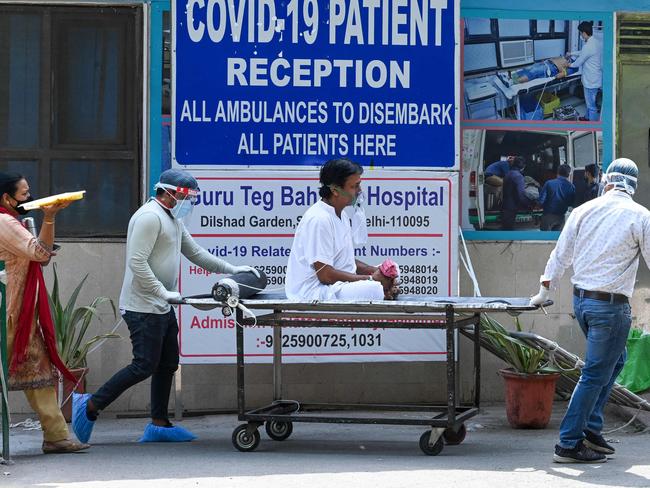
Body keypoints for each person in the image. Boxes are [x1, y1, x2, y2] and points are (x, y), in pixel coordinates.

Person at [72, 169, 258, 444]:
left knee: (168, 362)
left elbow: (194, 252)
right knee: (144, 365)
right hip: (143, 305)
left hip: (161, 304)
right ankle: (89, 406)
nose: (189, 202)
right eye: (187, 196)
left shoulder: (172, 218)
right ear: (170, 192)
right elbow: (137, 262)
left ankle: (159, 424)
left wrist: (232, 269)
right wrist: (163, 292)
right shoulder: (150, 217)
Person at [530, 158, 649, 463]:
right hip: (610, 309)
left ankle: (592, 427)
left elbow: (560, 255)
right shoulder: (640, 216)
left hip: (581, 303)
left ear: (606, 180)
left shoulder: (584, 210)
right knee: (595, 373)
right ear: (632, 186)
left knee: (616, 359)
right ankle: (569, 443)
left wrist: (543, 292)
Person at [0, 172, 89, 454]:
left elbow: (40, 253)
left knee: (38, 372)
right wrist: (49, 218)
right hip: (9, 312)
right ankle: (55, 435)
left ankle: (56, 436)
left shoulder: (12, 220)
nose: (30, 197)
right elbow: (40, 252)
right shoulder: (4, 222)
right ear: (7, 198)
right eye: (25, 194)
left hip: (20, 311)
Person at [286, 158, 398, 301]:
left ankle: (384, 288)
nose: (359, 191)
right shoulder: (319, 219)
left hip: (334, 286)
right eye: (355, 186)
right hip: (314, 292)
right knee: (373, 288)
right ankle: (383, 290)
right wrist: (371, 279)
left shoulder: (342, 215)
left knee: (393, 269)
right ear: (335, 190)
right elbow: (325, 275)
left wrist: (376, 271)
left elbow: (346, 262)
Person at [567, 21, 602, 121]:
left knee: (591, 105)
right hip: (595, 77)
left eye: (580, 33)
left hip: (591, 81)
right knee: (590, 102)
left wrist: (569, 64)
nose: (581, 36)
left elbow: (578, 62)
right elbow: (583, 53)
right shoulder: (595, 42)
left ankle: (592, 127)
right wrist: (571, 53)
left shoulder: (588, 46)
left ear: (584, 33)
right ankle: (587, 118)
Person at [501, 157, 535, 230]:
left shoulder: (508, 173)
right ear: (523, 166)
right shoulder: (518, 176)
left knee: (506, 228)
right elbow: (521, 195)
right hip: (512, 206)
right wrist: (529, 204)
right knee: (509, 230)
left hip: (506, 204)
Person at [539, 164, 576, 231]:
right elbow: (571, 203)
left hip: (548, 216)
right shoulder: (571, 186)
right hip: (561, 217)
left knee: (545, 240)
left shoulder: (549, 183)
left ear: (558, 172)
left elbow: (541, 201)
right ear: (568, 174)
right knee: (557, 239)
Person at [510, 57, 577, 84]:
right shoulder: (569, 58)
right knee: (529, 68)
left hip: (552, 68)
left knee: (534, 71)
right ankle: (510, 77)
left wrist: (562, 70)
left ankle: (512, 82)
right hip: (546, 62)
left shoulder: (574, 67)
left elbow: (559, 76)